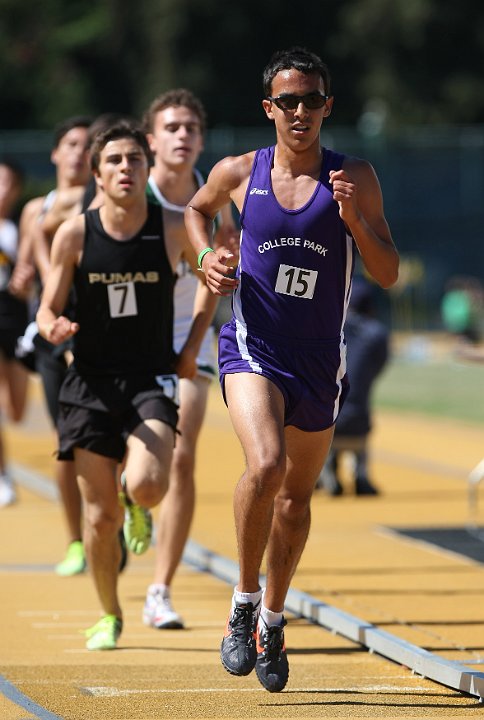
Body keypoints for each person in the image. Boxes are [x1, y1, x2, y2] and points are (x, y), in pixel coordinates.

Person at [185, 46, 399, 692]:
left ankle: (273, 618)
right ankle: (242, 602)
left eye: (311, 100)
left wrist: (355, 222)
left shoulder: (353, 176)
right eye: (288, 100)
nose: (299, 111)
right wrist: (206, 261)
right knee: (267, 464)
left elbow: (387, 272)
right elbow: (196, 211)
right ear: (268, 108)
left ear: (327, 107)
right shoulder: (240, 171)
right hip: (253, 347)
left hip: (318, 363)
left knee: (295, 501)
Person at [36, 119, 214, 651]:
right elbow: (47, 307)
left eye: (134, 159)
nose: (125, 169)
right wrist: (55, 327)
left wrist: (190, 350)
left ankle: (136, 499)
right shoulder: (74, 234)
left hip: (148, 379)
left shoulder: (174, 226)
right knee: (100, 517)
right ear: (97, 173)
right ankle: (109, 613)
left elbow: (209, 287)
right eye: (113, 161)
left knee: (149, 485)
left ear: (146, 167)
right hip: (89, 384)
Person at [141, 88, 238, 630]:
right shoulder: (128, 193)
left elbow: (217, 282)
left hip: (192, 342)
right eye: (171, 127)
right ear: (151, 139)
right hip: (128, 347)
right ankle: (133, 494)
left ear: (201, 139)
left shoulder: (217, 199)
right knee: (132, 471)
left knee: (180, 456)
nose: (182, 136)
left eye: (190, 128)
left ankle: (160, 588)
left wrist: (190, 347)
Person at [29, 116, 92, 576]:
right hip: (55, 332)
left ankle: (107, 518)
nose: (78, 153)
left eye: (88, 146)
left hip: (97, 328)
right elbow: (48, 275)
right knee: (64, 442)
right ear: (55, 153)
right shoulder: (38, 211)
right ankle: (75, 540)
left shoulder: (107, 203)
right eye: (70, 144)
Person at [316, 275, 390, 496]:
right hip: (360, 422)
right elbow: (378, 367)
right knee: (358, 400)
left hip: (328, 422)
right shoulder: (377, 334)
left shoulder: (325, 329)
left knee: (325, 404)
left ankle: (326, 473)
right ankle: (361, 475)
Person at [0, 159, 30, 506]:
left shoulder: (22, 228)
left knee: (17, 410)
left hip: (16, 320)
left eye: (6, 183)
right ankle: (4, 473)